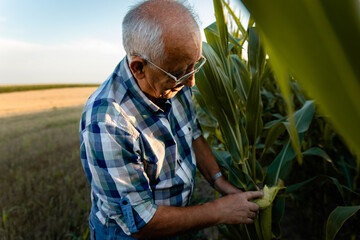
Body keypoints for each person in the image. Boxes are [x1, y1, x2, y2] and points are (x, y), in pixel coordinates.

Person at [79, 0, 263, 239]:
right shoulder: (107, 122)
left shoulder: (173, 77)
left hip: (176, 218)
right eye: (181, 73)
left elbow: (193, 133)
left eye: (194, 66)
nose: (191, 82)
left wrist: (219, 181)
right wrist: (217, 211)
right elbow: (140, 222)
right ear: (139, 68)